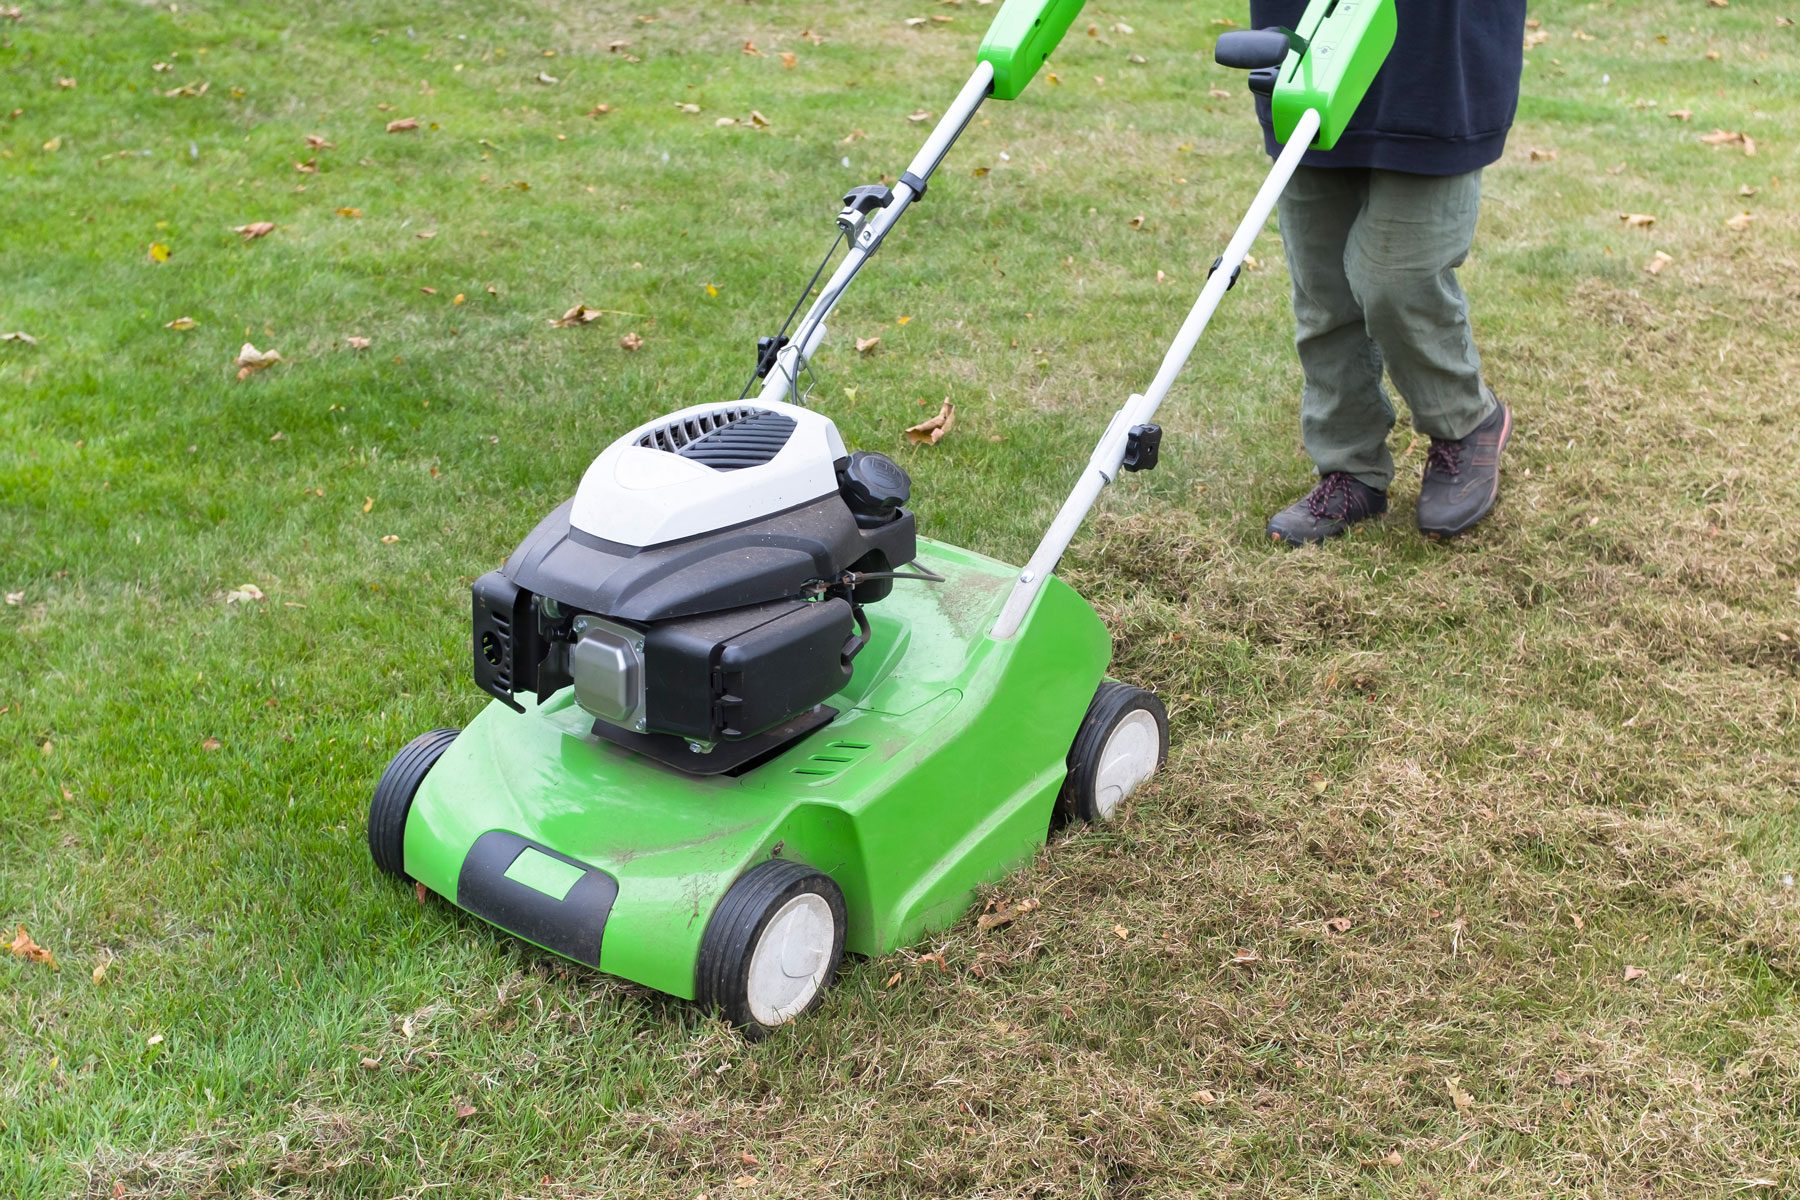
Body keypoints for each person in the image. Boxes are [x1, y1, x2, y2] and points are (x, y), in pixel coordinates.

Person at [1249, 1, 1528, 546]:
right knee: (1322, 287)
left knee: (1396, 276)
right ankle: (1350, 469)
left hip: (1434, 55)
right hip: (1311, 48)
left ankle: (1466, 422)